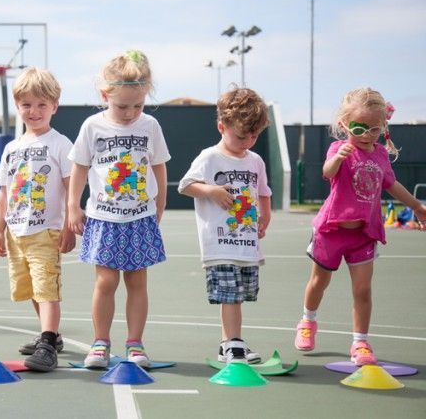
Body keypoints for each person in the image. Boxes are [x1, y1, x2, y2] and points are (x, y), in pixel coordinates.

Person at [294, 88, 426, 365]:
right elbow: (327, 172)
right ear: (344, 124)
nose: (366, 134)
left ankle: (360, 343)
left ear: (383, 127)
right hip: (331, 231)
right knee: (319, 281)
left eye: (374, 129)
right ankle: (307, 321)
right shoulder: (339, 149)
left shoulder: (380, 155)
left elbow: (393, 185)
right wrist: (339, 158)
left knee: (363, 290)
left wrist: (416, 206)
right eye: (359, 127)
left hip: (364, 234)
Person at [68, 50, 170, 368]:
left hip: (140, 217)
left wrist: (160, 205)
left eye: (137, 105)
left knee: (137, 282)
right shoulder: (92, 126)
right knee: (106, 282)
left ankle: (135, 344)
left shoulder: (150, 126)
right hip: (104, 218)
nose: (130, 113)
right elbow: (80, 168)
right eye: (123, 106)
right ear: (105, 95)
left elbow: (159, 167)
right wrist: (73, 206)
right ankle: (100, 344)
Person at [178, 87, 271, 364]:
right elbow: (186, 185)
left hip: (246, 243)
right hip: (219, 243)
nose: (248, 142)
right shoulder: (210, 157)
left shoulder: (255, 161)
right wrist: (212, 191)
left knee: (239, 295)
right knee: (229, 295)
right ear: (222, 126)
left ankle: (227, 344)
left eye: (254, 136)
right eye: (242, 136)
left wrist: (265, 216)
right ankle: (234, 343)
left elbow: (264, 192)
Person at [0, 67, 75, 372]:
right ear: (18, 106)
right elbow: (4, 193)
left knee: (46, 288)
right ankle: (50, 335)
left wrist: (69, 225)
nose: (34, 111)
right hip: (16, 232)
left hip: (46, 231)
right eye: (27, 104)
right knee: (30, 288)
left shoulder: (60, 144)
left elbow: (71, 189)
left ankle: (47, 343)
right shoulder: (12, 149)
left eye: (42, 104)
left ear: (54, 106)